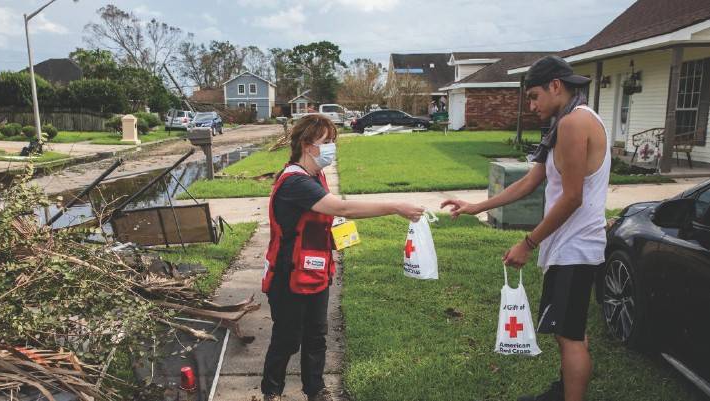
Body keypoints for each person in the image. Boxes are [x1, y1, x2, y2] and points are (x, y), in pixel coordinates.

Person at [441, 55, 609, 401]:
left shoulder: (574, 124)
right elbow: (532, 181)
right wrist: (477, 206)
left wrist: (528, 243)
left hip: (575, 247)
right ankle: (564, 390)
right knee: (570, 330)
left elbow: (572, 197)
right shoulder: (568, 121)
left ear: (556, 86)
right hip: (570, 247)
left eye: (534, 96)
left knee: (570, 336)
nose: (531, 105)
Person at [261, 114, 424, 401]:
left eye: (333, 141)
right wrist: (396, 205)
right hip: (288, 275)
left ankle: (316, 390)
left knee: (316, 337)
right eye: (328, 141)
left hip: (316, 271)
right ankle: (271, 393)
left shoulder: (315, 176)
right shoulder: (295, 182)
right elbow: (342, 208)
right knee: (286, 340)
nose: (332, 147)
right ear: (308, 145)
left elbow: (329, 216)